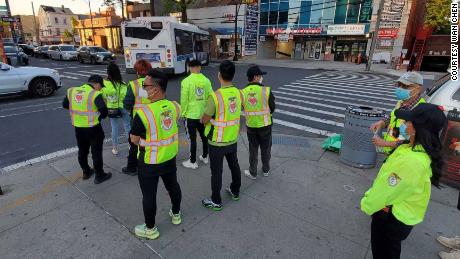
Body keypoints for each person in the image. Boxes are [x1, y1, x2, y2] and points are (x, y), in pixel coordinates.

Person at [361, 103, 447, 259]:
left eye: (408, 122)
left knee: (384, 252)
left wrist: (367, 205)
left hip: (391, 216)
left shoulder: (412, 160)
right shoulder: (414, 148)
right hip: (401, 215)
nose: (404, 124)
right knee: (389, 250)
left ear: (416, 128)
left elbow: (388, 190)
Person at [130, 69, 182, 240]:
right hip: (169, 157)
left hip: (150, 162)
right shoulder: (175, 106)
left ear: (156, 89)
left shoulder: (143, 113)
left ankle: (150, 229)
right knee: (173, 186)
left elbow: (134, 140)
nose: (143, 88)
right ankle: (176, 214)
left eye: (146, 86)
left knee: (149, 195)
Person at [201, 60, 242, 211]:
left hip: (217, 142)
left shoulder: (215, 96)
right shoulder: (239, 93)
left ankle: (216, 201)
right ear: (232, 75)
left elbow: (204, 118)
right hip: (232, 138)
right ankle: (235, 191)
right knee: (234, 165)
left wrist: (204, 120)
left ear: (219, 75)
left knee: (216, 172)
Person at [63, 75, 112, 184]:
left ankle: (86, 171)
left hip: (78, 127)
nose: (100, 89)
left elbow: (65, 104)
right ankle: (100, 175)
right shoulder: (95, 94)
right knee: (96, 152)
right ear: (97, 84)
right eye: (101, 86)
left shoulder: (72, 91)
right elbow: (103, 111)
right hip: (94, 128)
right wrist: (100, 116)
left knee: (82, 150)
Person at [371, 72, 425, 154]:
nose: (400, 88)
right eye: (399, 85)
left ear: (418, 89)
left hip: (403, 155)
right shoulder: (401, 101)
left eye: (405, 86)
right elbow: (393, 116)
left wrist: (385, 143)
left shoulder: (421, 110)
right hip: (391, 151)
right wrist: (382, 122)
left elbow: (413, 139)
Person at [241, 65, 276, 180]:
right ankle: (266, 170)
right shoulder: (266, 90)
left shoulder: (242, 92)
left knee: (253, 149)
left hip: (251, 126)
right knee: (266, 149)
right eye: (260, 75)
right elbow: (273, 107)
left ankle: (253, 172)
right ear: (255, 77)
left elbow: (242, 107)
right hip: (265, 125)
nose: (261, 77)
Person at [180, 59, 213, 169]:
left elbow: (184, 99)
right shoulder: (207, 80)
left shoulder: (186, 81)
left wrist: (183, 113)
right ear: (200, 67)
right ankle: (204, 156)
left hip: (191, 115)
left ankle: (192, 161)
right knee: (204, 136)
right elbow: (210, 97)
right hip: (203, 115)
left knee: (192, 139)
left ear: (189, 67)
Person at [122, 59, 152, 175]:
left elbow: (127, 104)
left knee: (134, 143)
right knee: (149, 141)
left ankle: (132, 167)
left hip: (138, 119)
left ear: (137, 72)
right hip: (152, 117)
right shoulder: (154, 82)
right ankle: (148, 163)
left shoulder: (133, 85)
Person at [101, 63, 131, 155]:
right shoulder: (123, 83)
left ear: (108, 72)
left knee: (114, 128)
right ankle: (130, 146)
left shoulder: (104, 83)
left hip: (112, 108)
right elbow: (126, 95)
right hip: (124, 107)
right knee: (127, 126)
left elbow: (103, 96)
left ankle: (115, 148)